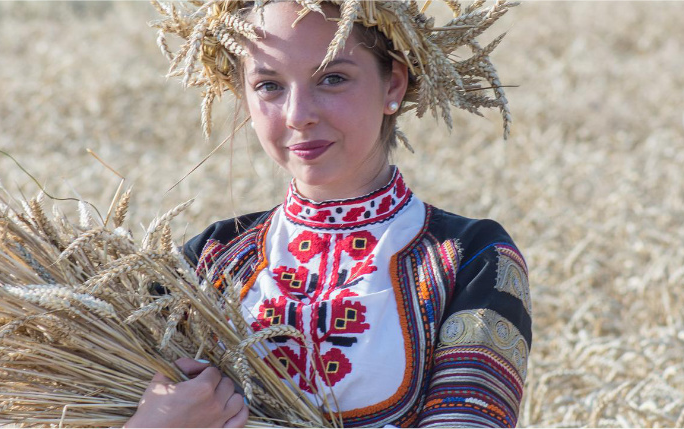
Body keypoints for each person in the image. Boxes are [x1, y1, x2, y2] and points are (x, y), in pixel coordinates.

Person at [127, 1, 530, 427]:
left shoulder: (469, 260)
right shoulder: (204, 262)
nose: (299, 115)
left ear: (392, 84)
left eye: (333, 79)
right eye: (269, 86)